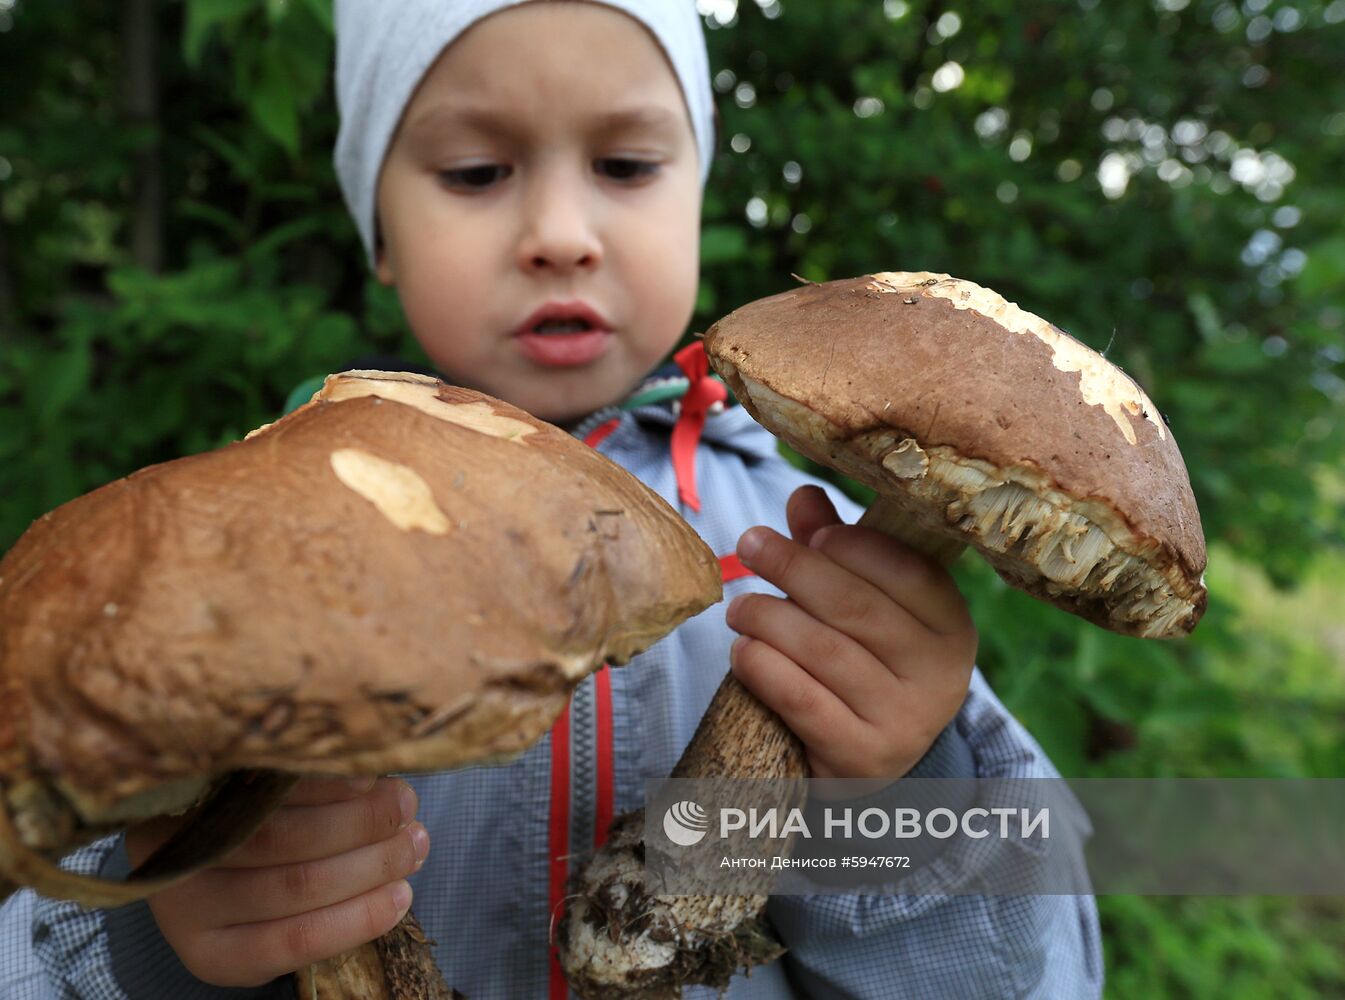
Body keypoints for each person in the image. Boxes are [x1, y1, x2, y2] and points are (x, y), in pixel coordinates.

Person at [0, 1, 1103, 997]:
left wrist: (907, 800)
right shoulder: (224, 555)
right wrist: (157, 944)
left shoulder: (817, 556)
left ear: (699, 190)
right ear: (376, 234)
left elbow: (1043, 975)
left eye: (625, 164)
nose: (560, 233)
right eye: (477, 173)